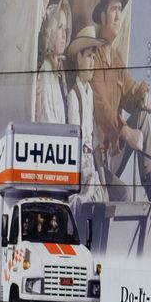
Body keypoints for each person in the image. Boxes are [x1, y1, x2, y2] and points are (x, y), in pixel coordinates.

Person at [88, 0, 151, 203]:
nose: (119, 16)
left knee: (142, 118)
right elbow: (100, 107)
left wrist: (143, 96)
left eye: (120, 10)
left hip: (114, 153)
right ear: (102, 16)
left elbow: (130, 91)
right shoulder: (94, 56)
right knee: (124, 196)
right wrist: (127, 133)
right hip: (97, 160)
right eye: (113, 10)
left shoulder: (116, 60)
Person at [65, 23, 109, 204]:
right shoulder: (74, 96)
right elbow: (74, 142)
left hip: (90, 162)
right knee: (90, 194)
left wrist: (102, 177)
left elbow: (94, 140)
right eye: (89, 56)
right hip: (79, 166)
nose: (93, 62)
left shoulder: (90, 93)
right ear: (79, 59)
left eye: (94, 57)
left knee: (105, 195)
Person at [32, 0, 70, 123]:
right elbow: (47, 124)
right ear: (51, 31)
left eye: (65, 29)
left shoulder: (56, 73)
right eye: (60, 28)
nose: (64, 35)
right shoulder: (45, 73)